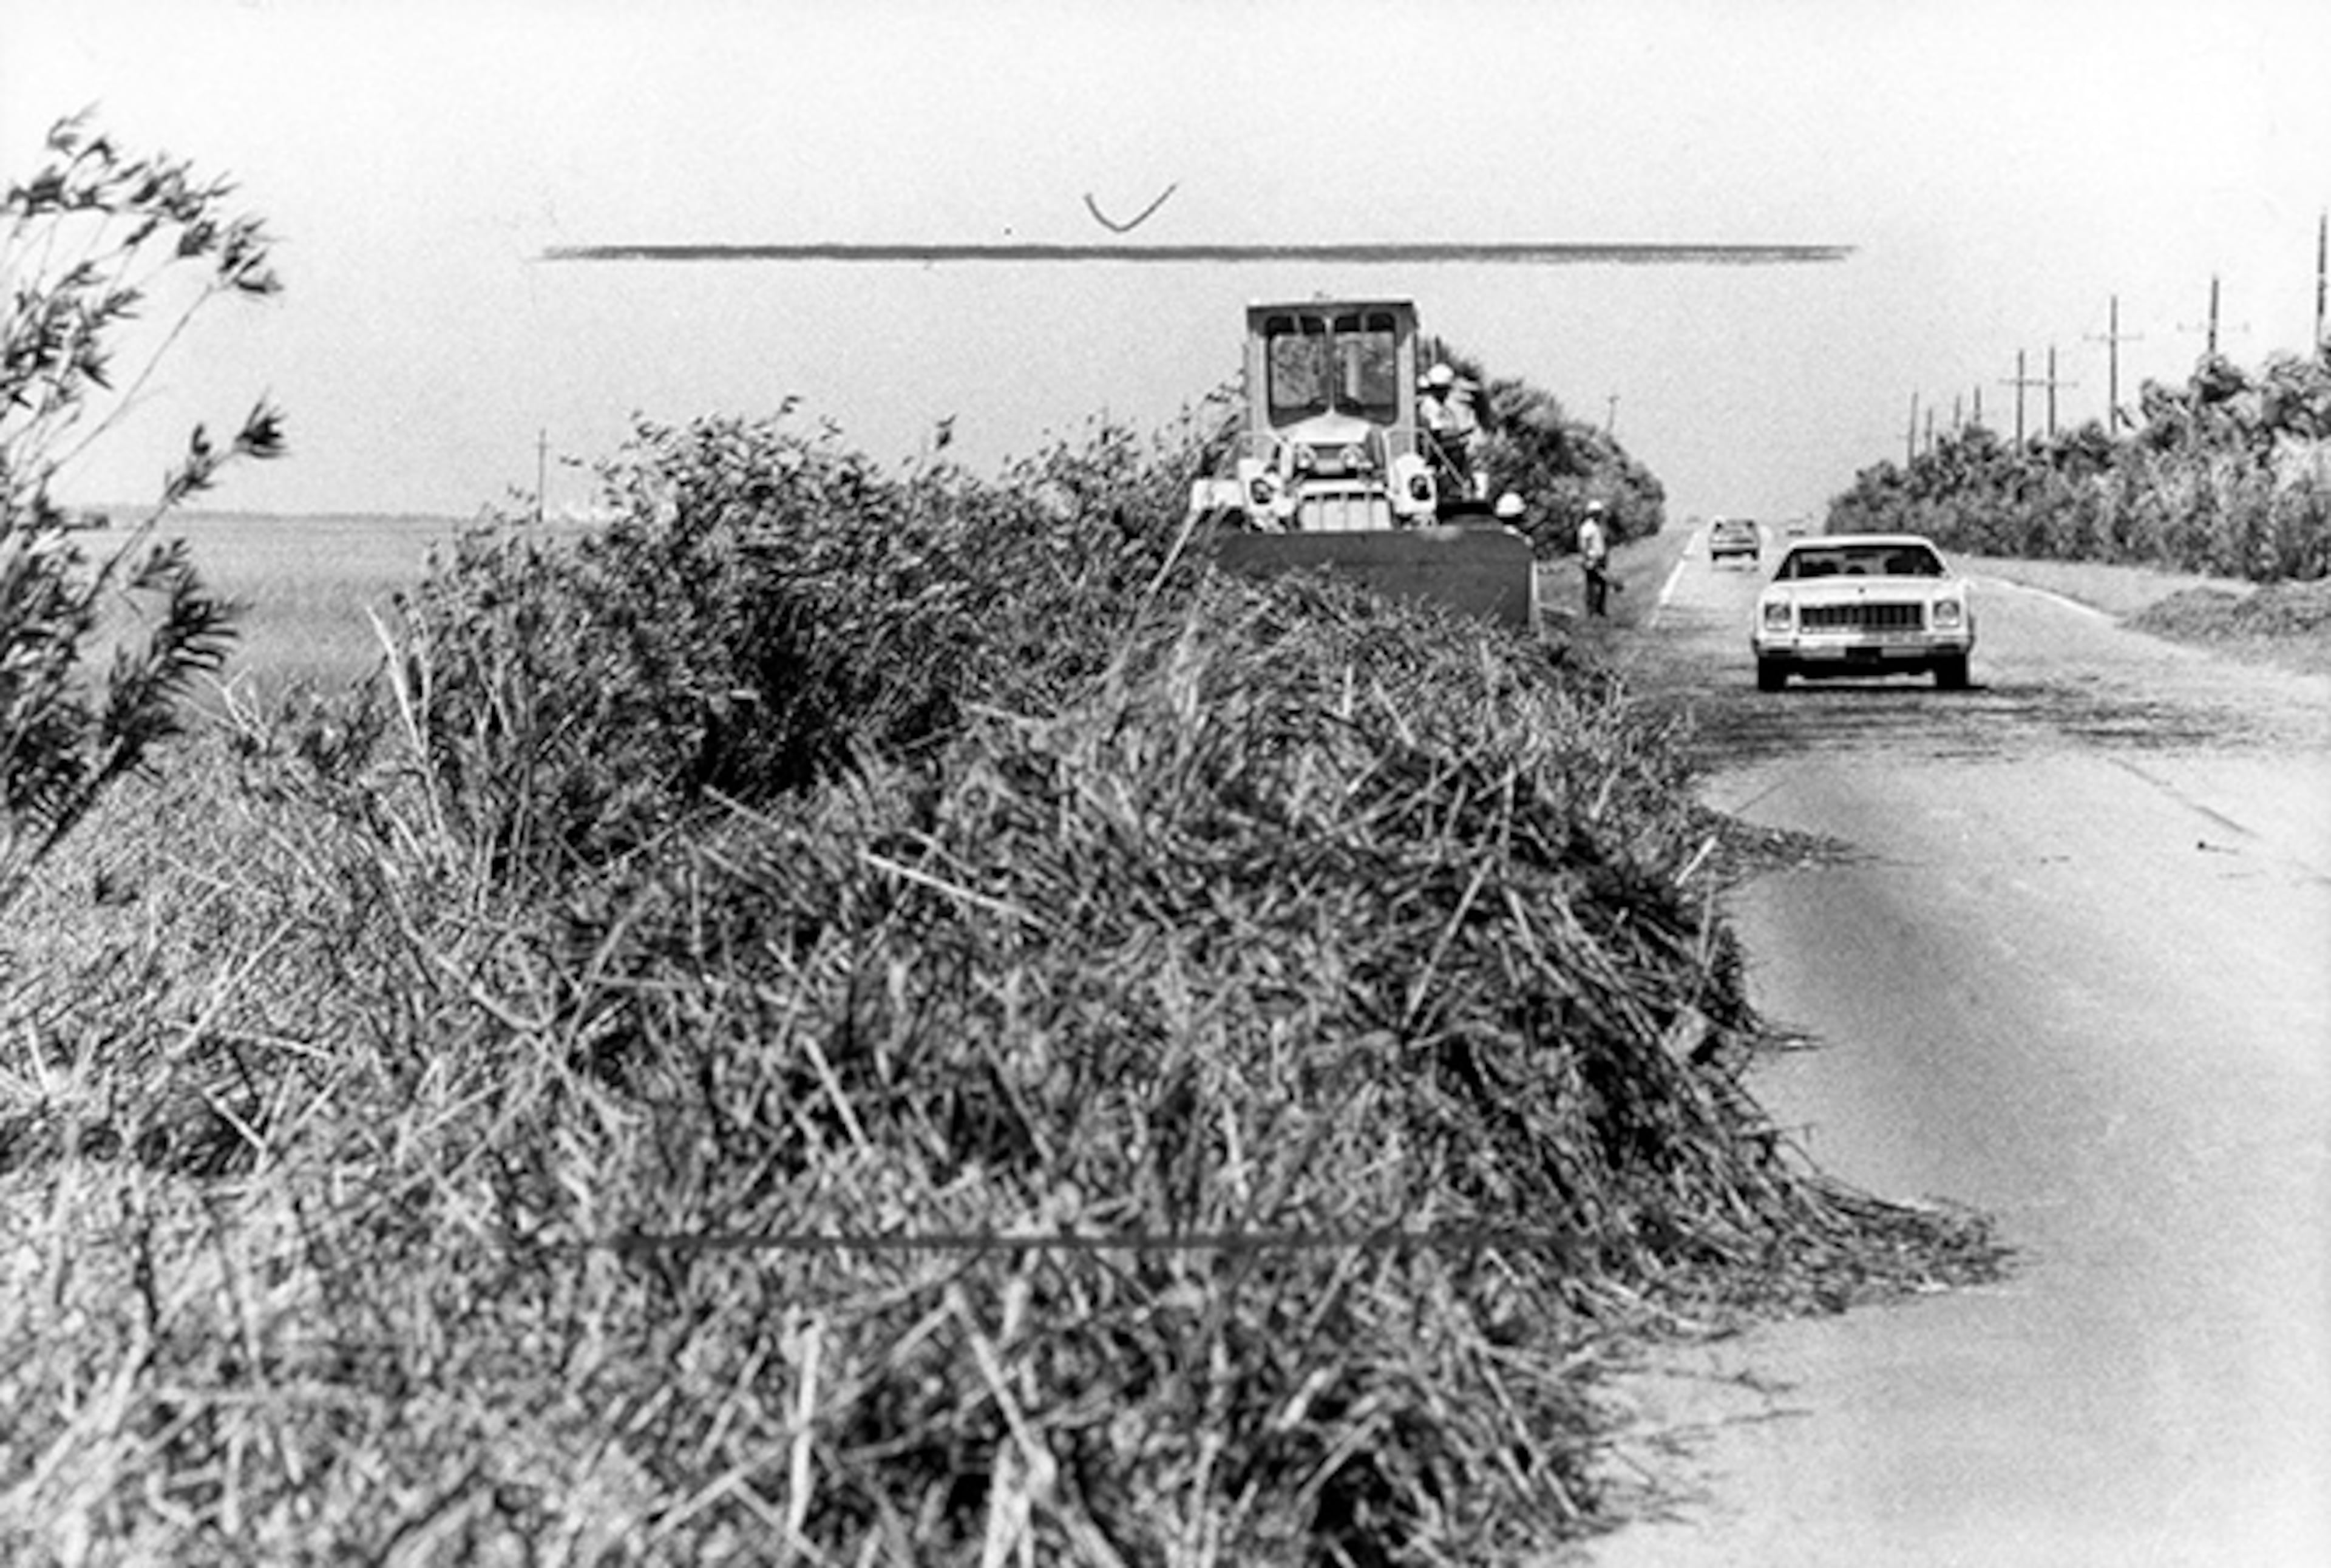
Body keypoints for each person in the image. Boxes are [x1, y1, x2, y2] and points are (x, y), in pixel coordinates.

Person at [1417, 362, 1482, 493]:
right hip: (1431, 447)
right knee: (1457, 450)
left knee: (1459, 448)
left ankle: (1463, 483)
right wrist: (1461, 434)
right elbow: (1437, 433)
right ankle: (1457, 485)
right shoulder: (1430, 406)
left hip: (1437, 443)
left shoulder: (1440, 406)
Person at [1578, 500, 1612, 617]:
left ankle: (1601, 609)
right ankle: (1591, 611)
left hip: (1601, 559)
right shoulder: (1587, 527)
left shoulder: (1599, 526)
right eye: (1596, 513)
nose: (1599, 515)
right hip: (1592, 560)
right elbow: (1583, 544)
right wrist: (1588, 558)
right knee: (1592, 586)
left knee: (1602, 585)